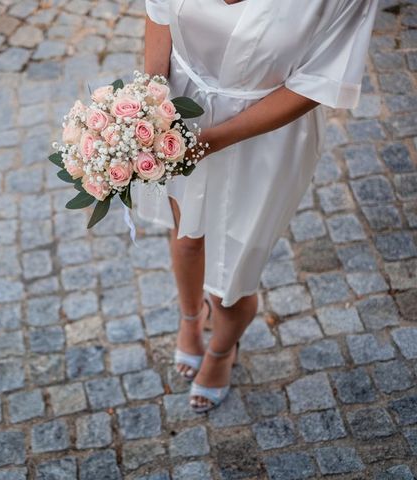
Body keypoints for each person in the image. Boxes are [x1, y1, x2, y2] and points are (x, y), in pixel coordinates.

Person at [134, 0, 379, 413]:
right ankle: (191, 319)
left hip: (264, 137)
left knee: (235, 267)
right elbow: (159, 10)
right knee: (187, 237)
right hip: (180, 111)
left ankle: (221, 352)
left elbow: (320, 79)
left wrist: (212, 142)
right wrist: (151, 98)